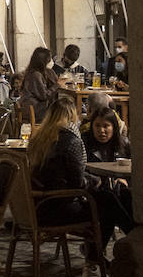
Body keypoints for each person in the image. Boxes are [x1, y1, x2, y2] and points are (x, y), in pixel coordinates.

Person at [27, 98, 133, 254]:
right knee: (108, 201)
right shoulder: (69, 139)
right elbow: (78, 182)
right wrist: (95, 182)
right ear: (71, 116)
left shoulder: (40, 139)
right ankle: (122, 241)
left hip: (39, 206)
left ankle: (97, 250)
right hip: (60, 208)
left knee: (112, 196)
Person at [18, 47, 55, 122]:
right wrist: (58, 85)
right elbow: (44, 96)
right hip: (36, 110)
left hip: (30, 107)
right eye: (49, 59)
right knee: (61, 111)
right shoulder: (36, 75)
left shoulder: (32, 72)